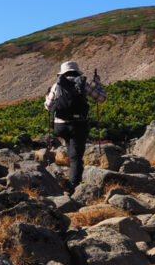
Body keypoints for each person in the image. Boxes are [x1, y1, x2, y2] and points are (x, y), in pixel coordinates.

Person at [43, 60, 107, 191]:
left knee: (70, 146)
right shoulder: (83, 84)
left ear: (62, 73)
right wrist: (98, 82)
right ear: (76, 71)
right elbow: (101, 98)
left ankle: (70, 178)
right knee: (76, 157)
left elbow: (48, 107)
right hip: (79, 125)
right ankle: (74, 186)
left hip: (60, 126)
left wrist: (47, 98)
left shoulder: (57, 85)